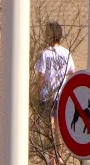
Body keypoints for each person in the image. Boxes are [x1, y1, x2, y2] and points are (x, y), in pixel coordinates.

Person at [34, 22, 75, 165]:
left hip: (46, 95)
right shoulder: (66, 53)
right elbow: (71, 72)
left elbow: (41, 76)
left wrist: (36, 91)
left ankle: (52, 157)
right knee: (59, 128)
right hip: (61, 94)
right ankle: (59, 156)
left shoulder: (45, 53)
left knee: (49, 127)